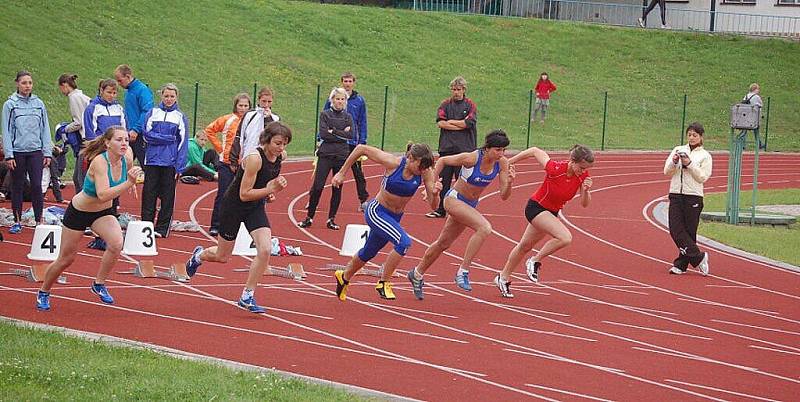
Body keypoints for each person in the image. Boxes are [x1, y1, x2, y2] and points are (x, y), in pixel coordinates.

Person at [185, 121, 291, 313]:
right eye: (277, 143)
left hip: (255, 207)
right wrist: (269, 189)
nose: (281, 148)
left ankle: (247, 295)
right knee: (222, 256)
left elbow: (264, 181)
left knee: (265, 250)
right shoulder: (254, 159)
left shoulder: (281, 156)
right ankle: (198, 256)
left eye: (284, 144)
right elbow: (244, 194)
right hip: (233, 207)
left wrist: (268, 193)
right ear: (266, 141)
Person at [35, 126, 142, 311]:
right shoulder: (100, 162)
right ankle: (44, 291)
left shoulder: (128, 155)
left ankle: (98, 284)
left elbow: (129, 169)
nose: (124, 143)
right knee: (66, 259)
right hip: (79, 212)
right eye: (119, 140)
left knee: (117, 243)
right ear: (107, 143)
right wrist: (128, 183)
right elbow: (102, 194)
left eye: (126, 139)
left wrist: (131, 179)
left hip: (102, 213)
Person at [407, 130, 513, 299]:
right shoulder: (471, 158)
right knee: (484, 228)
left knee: (443, 243)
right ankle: (463, 271)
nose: (501, 154)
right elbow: (442, 161)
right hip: (454, 199)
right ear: (487, 148)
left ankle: (417, 273)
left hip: (469, 204)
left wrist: (510, 183)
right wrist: (432, 185)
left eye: (504, 150)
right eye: (498, 150)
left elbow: (504, 196)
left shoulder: (502, 163)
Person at [331, 143, 440, 301]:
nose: (423, 169)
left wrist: (436, 194)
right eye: (421, 165)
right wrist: (341, 173)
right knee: (404, 243)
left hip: (394, 217)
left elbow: (433, 205)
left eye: (425, 167)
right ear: (410, 158)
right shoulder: (393, 163)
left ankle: (344, 276)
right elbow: (361, 148)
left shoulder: (426, 172)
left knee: (368, 252)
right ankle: (383, 283)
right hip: (377, 211)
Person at [495, 144, 594, 298]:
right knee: (565, 237)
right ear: (572, 161)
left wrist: (586, 191)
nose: (583, 171)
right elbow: (534, 150)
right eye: (581, 167)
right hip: (536, 208)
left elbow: (584, 204)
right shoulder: (554, 168)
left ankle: (503, 277)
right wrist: (509, 162)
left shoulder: (583, 177)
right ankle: (534, 260)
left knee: (525, 246)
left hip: (551, 213)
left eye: (586, 169)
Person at [2, 71, 52, 234]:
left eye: (30, 83)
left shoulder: (39, 103)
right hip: (17, 152)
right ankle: (17, 221)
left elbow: (45, 129)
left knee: (37, 186)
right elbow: (7, 131)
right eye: (24, 83)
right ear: (17, 84)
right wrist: (9, 154)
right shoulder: (10, 104)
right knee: (17, 186)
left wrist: (47, 152)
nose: (27, 86)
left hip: (36, 151)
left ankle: (38, 220)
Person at [298, 87, 353, 230]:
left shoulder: (348, 117)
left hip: (341, 155)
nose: (340, 101)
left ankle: (331, 219)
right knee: (318, 186)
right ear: (332, 100)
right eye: (337, 98)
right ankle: (309, 217)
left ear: (345, 101)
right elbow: (323, 134)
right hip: (326, 154)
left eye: (342, 99)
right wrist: (340, 133)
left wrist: (333, 131)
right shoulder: (325, 115)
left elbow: (351, 136)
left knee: (337, 187)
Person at [140, 83, 189, 238]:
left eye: (172, 96)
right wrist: (167, 138)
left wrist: (179, 167)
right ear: (161, 96)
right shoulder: (152, 112)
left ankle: (162, 228)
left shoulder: (180, 117)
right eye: (166, 96)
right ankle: (146, 225)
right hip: (152, 161)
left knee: (167, 197)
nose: (169, 99)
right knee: (149, 194)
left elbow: (182, 143)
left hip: (170, 163)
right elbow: (146, 135)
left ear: (176, 97)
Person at [426, 76, 478, 219]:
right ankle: (441, 209)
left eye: (458, 89)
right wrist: (459, 124)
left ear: (464, 90)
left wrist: (452, 123)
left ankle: (462, 210)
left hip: (464, 150)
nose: (456, 92)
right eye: (454, 89)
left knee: (462, 182)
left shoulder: (470, 105)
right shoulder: (445, 104)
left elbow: (468, 124)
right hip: (446, 149)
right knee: (444, 181)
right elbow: (441, 123)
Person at [665, 122, 712, 277]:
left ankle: (681, 264)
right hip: (676, 194)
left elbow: (702, 177)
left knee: (689, 233)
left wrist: (690, 164)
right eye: (689, 134)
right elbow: (667, 171)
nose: (691, 138)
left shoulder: (705, 156)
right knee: (675, 229)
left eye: (695, 135)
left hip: (693, 196)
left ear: (701, 137)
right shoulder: (678, 149)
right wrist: (675, 161)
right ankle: (699, 257)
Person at [205, 93, 251, 236]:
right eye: (240, 105)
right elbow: (209, 130)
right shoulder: (227, 119)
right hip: (226, 163)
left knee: (242, 196)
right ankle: (216, 225)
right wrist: (221, 148)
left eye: (246, 106)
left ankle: (239, 226)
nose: (243, 108)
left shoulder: (252, 121)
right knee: (223, 194)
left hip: (245, 164)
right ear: (235, 105)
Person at [323, 72, 369, 210]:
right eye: (345, 81)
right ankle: (314, 197)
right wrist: (322, 136)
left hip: (352, 143)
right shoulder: (332, 99)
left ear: (353, 82)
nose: (347, 83)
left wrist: (362, 140)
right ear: (341, 82)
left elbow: (362, 121)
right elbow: (324, 118)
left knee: (358, 173)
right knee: (324, 170)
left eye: (350, 81)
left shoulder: (359, 101)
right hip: (334, 142)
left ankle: (363, 200)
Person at [57, 73, 91, 193]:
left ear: (65, 85)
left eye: (60, 88)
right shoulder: (81, 96)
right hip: (89, 138)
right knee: (78, 177)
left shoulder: (73, 97)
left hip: (85, 140)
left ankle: (83, 206)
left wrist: (64, 129)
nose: (61, 91)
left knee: (79, 178)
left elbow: (78, 123)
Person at [114, 64, 154, 165]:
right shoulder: (129, 91)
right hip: (129, 134)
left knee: (146, 165)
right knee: (123, 164)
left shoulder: (142, 90)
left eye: (120, 80)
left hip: (139, 134)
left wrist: (136, 129)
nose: (119, 84)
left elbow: (147, 111)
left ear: (128, 76)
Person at [229, 87, 279, 167]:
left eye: (269, 102)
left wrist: (268, 119)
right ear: (259, 100)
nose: (266, 104)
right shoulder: (249, 115)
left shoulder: (275, 118)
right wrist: (233, 159)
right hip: (247, 156)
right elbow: (239, 136)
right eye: (264, 101)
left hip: (265, 159)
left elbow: (272, 137)